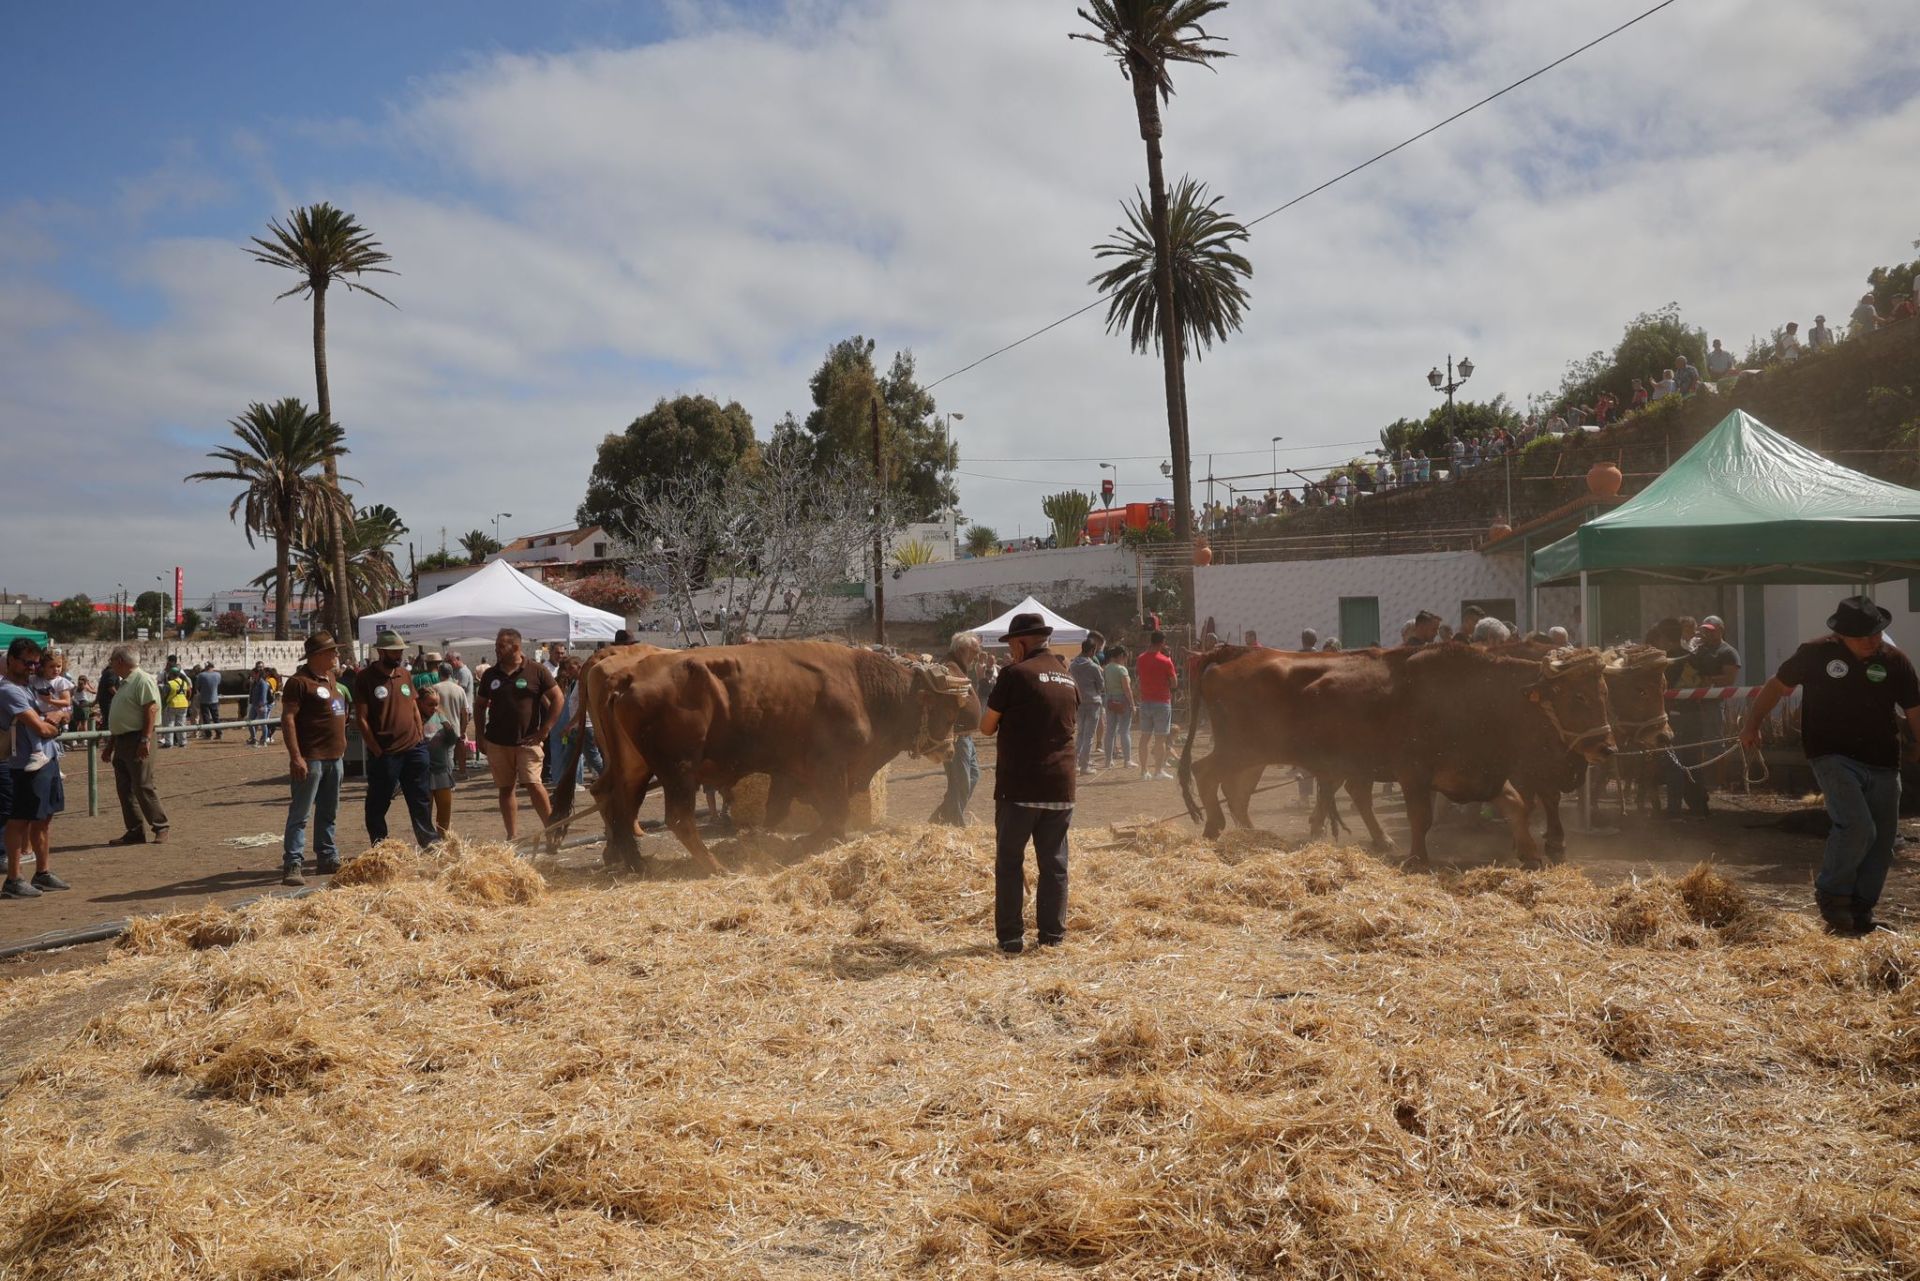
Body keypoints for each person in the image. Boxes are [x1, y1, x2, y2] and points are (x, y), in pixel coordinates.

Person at [1740, 597, 1920, 935]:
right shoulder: (1814, 654)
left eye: (1875, 633)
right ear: (1841, 635)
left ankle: (1861, 909)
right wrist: (1752, 724)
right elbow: (1777, 687)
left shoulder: (1895, 661)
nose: (1871, 641)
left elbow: (1914, 709)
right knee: (1857, 826)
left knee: (1883, 840)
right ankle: (1833, 894)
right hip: (1831, 754)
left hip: (1884, 760)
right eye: (1861, 636)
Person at [977, 612, 1079, 953]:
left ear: (1021, 644)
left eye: (1011, 645)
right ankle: (1052, 936)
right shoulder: (1067, 677)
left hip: (1020, 786)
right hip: (1061, 786)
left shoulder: (1014, 674)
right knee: (1054, 864)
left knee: (1010, 862)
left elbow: (986, 727)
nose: (1010, 652)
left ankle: (1010, 938)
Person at [474, 626, 563, 841]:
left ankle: (552, 831)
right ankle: (512, 836)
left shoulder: (537, 670)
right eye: (496, 645)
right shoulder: (490, 675)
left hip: (528, 741)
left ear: (515, 647)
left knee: (534, 784)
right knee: (506, 789)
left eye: (501, 646)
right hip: (497, 742)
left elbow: (558, 699)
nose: (496, 649)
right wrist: (479, 736)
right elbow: (479, 705)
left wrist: (544, 730)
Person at [354, 629, 436, 848]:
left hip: (414, 748)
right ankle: (380, 844)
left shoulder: (404, 674)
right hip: (386, 752)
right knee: (379, 801)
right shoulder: (365, 678)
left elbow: (414, 707)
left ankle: (429, 842)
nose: (398, 655)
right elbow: (361, 718)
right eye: (394, 652)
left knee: (420, 798)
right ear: (381, 651)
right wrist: (376, 748)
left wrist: (419, 734)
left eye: (400, 651)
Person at [1, 638, 69, 898]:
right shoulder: (9, 691)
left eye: (35, 663)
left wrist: (58, 716)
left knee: (44, 818)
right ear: (11, 661)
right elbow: (40, 727)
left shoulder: (30, 687)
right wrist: (57, 723)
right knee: (20, 820)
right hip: (25, 766)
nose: (32, 668)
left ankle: (42, 872)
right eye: (27, 663)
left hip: (47, 760)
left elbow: (63, 712)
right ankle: (13, 878)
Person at [279, 632, 348, 885]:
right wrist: (296, 757)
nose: (336, 655)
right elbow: (288, 719)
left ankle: (327, 856)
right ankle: (293, 862)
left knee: (329, 811)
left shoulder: (331, 678)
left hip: (334, 757)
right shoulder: (298, 683)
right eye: (332, 651)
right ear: (318, 655)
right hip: (311, 757)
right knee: (301, 813)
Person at [1664, 616, 1740, 818]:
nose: (1706, 633)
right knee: (1690, 752)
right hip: (1691, 708)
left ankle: (1715, 784)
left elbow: (1729, 678)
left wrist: (1708, 681)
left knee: (1712, 744)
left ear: (1721, 630)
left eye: (1711, 630)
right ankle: (1697, 798)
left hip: (1709, 705)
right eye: (1704, 630)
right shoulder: (1698, 650)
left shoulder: (1726, 652)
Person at [100, 646, 168, 845]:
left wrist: (145, 739)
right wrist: (111, 745)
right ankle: (135, 830)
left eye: (112, 660)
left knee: (143, 785)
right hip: (122, 740)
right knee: (125, 788)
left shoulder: (142, 680)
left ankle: (161, 826)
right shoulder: (125, 683)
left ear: (120, 661)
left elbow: (151, 710)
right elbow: (122, 716)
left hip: (138, 738)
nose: (111, 664)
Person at [929, 632, 986, 824]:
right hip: (956, 737)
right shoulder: (949, 667)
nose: (977, 656)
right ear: (962, 650)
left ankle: (939, 819)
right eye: (974, 652)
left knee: (972, 776)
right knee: (960, 782)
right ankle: (955, 823)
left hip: (965, 736)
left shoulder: (958, 667)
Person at [419, 684, 461, 839]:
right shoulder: (416, 719)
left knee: (444, 810)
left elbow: (451, 741)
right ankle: (428, 840)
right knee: (425, 811)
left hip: (441, 771)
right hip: (423, 772)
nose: (434, 708)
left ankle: (443, 838)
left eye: (436, 704)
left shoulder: (441, 717)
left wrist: (449, 729)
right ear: (420, 703)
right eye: (430, 704)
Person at [1069, 637, 1106, 777]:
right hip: (1093, 702)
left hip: (1079, 701)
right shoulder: (1093, 667)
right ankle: (1084, 766)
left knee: (1080, 733)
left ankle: (1075, 764)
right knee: (1089, 736)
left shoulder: (1073, 665)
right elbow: (1101, 685)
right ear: (1092, 651)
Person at [1100, 644, 1133, 769]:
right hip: (1122, 699)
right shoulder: (1122, 669)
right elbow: (1127, 688)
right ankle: (1127, 760)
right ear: (1121, 656)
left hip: (1109, 699)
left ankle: (1108, 761)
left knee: (1110, 731)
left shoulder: (1106, 668)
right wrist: (1132, 704)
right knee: (1124, 731)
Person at [159, 658, 191, 747]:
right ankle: (182, 742)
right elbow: (189, 692)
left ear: (171, 674)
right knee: (181, 724)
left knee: (170, 724)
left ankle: (169, 743)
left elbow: (164, 694)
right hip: (183, 705)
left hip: (172, 705)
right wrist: (187, 700)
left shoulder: (170, 683)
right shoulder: (184, 683)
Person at [193, 662, 223, 740]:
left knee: (206, 718)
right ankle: (219, 733)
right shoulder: (218, 675)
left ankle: (208, 735)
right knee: (216, 717)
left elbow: (197, 686)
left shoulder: (201, 675)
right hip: (215, 699)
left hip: (204, 699)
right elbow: (218, 684)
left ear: (206, 667)